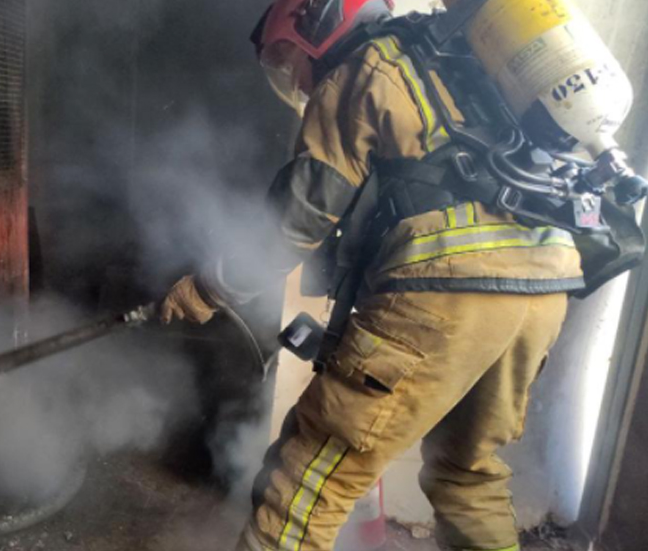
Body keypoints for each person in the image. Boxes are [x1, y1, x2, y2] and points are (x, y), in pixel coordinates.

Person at [161, 1, 590, 550]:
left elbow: (302, 212)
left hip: (450, 290)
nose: (293, 75)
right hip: (544, 283)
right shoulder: (456, 63)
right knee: (466, 471)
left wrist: (208, 288)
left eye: (289, 56)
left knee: (307, 482)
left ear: (319, 25)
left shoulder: (364, 68)